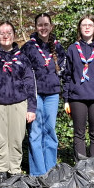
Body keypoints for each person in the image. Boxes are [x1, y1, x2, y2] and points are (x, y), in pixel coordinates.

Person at [0, 22, 36, 182]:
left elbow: (30, 83)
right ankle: (2, 173)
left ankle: (15, 172)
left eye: (9, 32)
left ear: (14, 35)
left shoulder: (23, 58)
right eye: (2, 32)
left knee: (16, 140)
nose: (5, 35)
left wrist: (31, 107)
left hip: (19, 104)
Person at [22, 13, 66, 176]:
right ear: (35, 27)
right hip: (35, 95)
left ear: (51, 26)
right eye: (40, 25)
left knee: (50, 131)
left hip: (53, 94)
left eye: (46, 24)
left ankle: (51, 170)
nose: (43, 28)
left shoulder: (58, 47)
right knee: (35, 132)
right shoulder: (28, 47)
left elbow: (63, 71)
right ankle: (38, 173)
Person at [62, 15, 94, 160]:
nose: (87, 27)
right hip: (77, 97)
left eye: (90, 25)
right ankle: (81, 167)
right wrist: (66, 99)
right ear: (80, 28)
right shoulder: (72, 49)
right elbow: (67, 75)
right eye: (84, 25)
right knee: (79, 133)